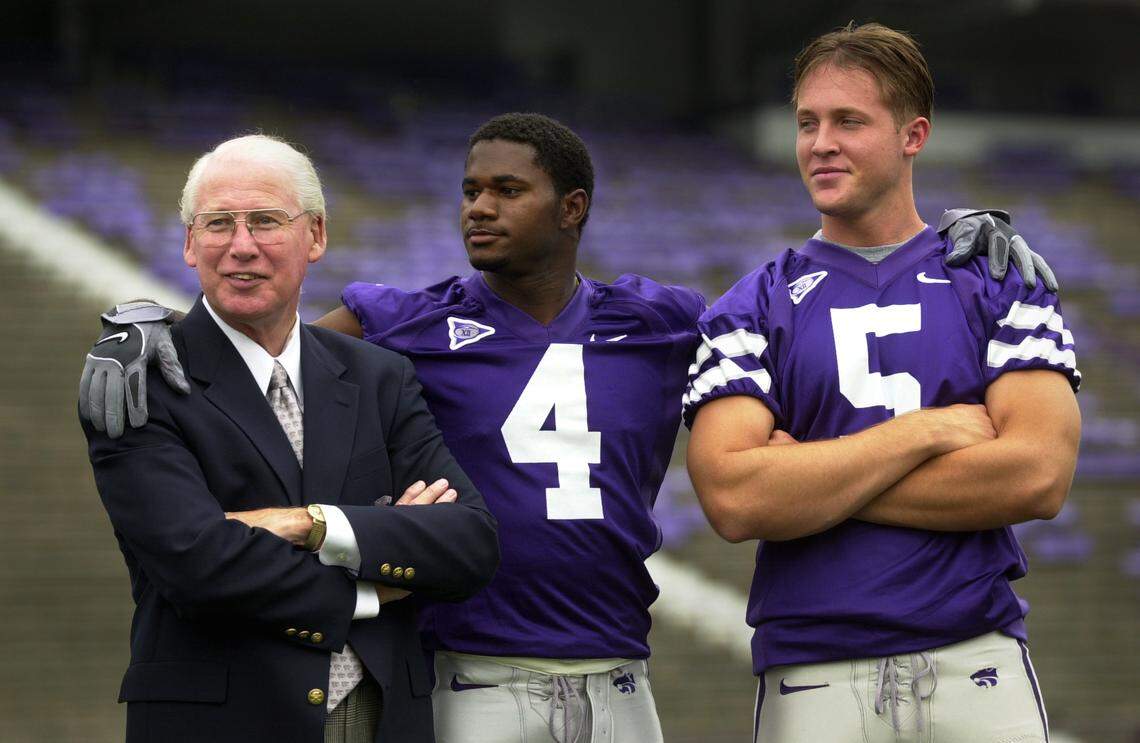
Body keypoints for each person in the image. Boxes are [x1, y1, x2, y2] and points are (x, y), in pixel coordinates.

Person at [80, 113, 1053, 743]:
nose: (478, 208)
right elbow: (262, 346)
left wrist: (953, 239)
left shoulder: (665, 317)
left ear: (572, 208)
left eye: (506, 190)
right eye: (469, 190)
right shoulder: (407, 318)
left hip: (621, 673)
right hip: (470, 672)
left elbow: (805, 318)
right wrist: (142, 325)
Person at [683, 23, 1081, 743]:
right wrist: (926, 431)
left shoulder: (997, 278)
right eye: (808, 122)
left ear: (913, 134)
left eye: (849, 121)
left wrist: (808, 478)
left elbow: (1038, 476)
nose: (821, 143)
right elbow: (735, 499)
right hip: (814, 675)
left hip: (977, 666)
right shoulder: (750, 304)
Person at [79, 134, 500, 743]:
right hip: (220, 724)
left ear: (317, 236)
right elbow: (198, 565)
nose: (241, 246)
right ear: (190, 244)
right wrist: (372, 589)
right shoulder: (135, 380)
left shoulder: (379, 376)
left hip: (384, 720)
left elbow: (468, 542)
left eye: (267, 221)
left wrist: (311, 524)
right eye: (219, 223)